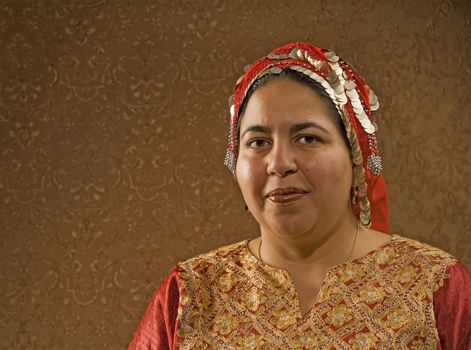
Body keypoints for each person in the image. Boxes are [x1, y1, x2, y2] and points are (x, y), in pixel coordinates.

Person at [129, 42, 470, 349]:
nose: (279, 164)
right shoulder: (192, 293)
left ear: (355, 156)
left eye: (307, 138)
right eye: (258, 143)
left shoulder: (434, 286)